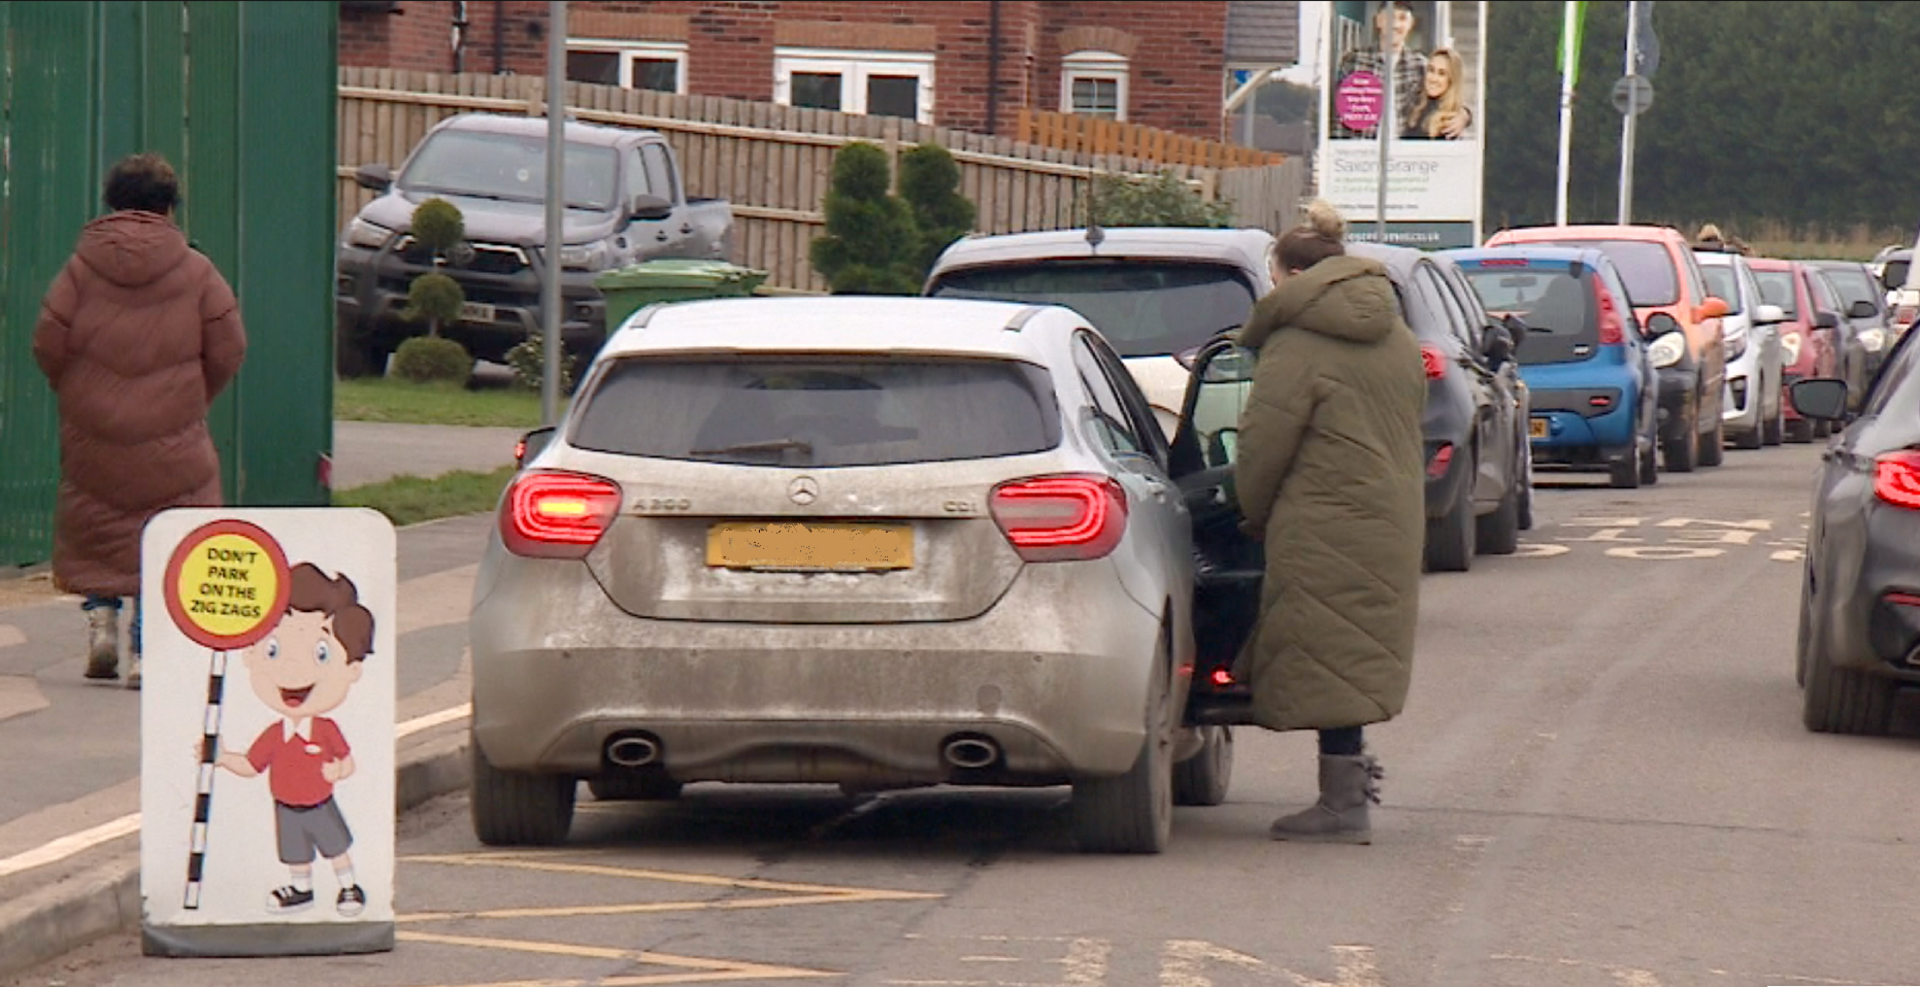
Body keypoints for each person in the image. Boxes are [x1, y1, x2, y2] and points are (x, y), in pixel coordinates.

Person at [1231, 201, 1426, 845]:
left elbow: (1264, 443)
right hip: (1390, 512)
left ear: (1290, 276)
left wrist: (1250, 512)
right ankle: (1347, 790)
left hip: (1321, 514)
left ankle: (1342, 805)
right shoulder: (1396, 336)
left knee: (1326, 645)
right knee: (1350, 649)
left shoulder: (1296, 343)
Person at [32, 153, 248, 689]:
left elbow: (47, 341)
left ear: (111, 203)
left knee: (99, 515)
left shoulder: (80, 269)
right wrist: (194, 396)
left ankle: (101, 619)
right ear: (169, 206)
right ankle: (146, 649)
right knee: (169, 527)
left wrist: (81, 391)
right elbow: (229, 346)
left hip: (94, 424)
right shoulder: (198, 272)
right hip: (174, 429)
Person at [214, 563, 374, 917]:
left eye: (321, 653)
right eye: (273, 648)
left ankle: (348, 886)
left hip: (319, 802)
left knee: (335, 847)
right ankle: (301, 890)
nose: (292, 667)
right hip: (285, 804)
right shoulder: (274, 735)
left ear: (351, 668)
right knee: (295, 853)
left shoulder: (325, 729)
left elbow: (347, 760)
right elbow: (252, 765)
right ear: (250, 654)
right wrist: (223, 757)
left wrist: (338, 769)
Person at [1335, 1, 1430, 138]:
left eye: (1402, 18)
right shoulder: (1354, 61)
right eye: (1390, 16)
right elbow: (1338, 114)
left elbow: (1442, 104)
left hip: (1407, 154)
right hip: (1361, 152)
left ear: (1411, 24)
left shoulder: (1421, 66)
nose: (1395, 25)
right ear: (1379, 21)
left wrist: (1464, 115)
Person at [1405, 47, 1472, 140]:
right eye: (1431, 70)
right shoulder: (1417, 106)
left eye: (1442, 73)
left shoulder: (1451, 121)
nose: (1433, 78)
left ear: (1452, 80)